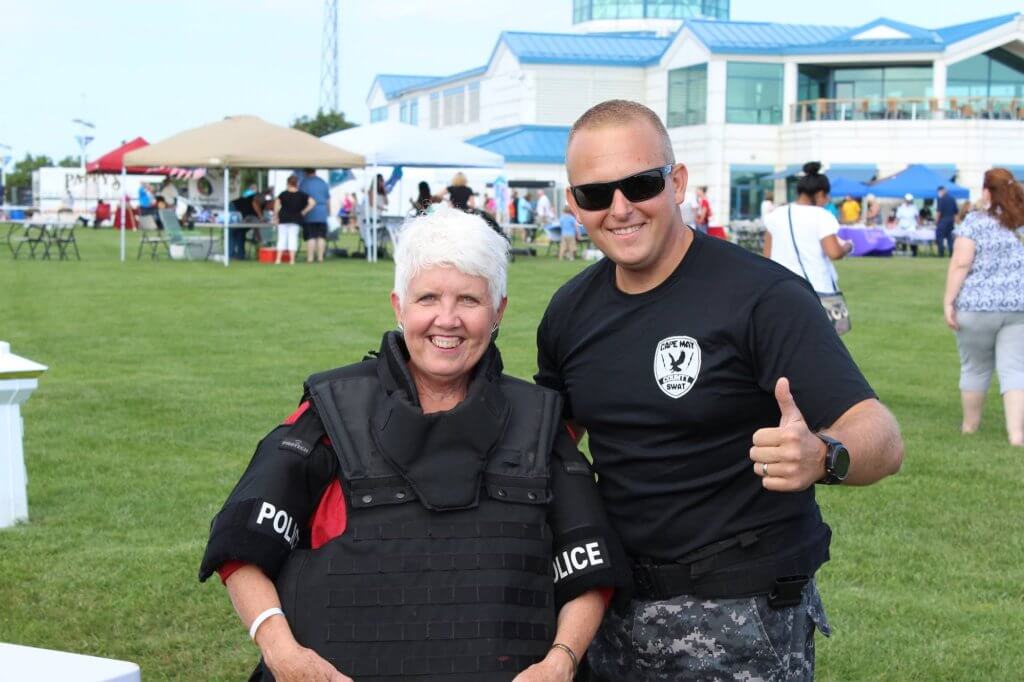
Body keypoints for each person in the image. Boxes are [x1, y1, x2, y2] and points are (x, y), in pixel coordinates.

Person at [538, 99, 903, 681]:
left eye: (640, 184)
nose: (620, 208)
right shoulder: (570, 312)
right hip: (612, 612)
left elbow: (880, 433)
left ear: (677, 182)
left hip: (743, 617)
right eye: (595, 194)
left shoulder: (763, 297)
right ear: (572, 206)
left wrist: (824, 454)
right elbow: (553, 439)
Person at [199, 206, 629, 681]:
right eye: (427, 298)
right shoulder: (330, 412)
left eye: (469, 299)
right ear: (398, 305)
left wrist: (560, 661)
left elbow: (590, 567)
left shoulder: (539, 421)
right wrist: (282, 653)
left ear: (499, 309)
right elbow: (242, 544)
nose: (447, 320)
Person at [942, 167, 1024, 446]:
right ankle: (1016, 435)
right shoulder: (1020, 222)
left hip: (977, 306)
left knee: (975, 368)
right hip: (1017, 306)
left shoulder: (975, 222)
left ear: (987, 191)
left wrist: (948, 300)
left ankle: (970, 427)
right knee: (1014, 370)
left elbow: (961, 263)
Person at [763, 162, 853, 293]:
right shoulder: (822, 216)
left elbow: (767, 257)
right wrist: (847, 247)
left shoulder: (775, 215)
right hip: (817, 287)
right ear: (820, 194)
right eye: (826, 196)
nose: (827, 200)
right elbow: (834, 253)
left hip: (782, 288)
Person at [273, 175, 314, 266]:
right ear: (297, 184)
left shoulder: (283, 194)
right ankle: (292, 260)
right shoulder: (302, 194)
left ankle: (278, 259)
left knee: (281, 239)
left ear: (287, 183)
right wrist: (304, 211)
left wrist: (275, 216)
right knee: (293, 239)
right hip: (296, 219)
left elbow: (276, 206)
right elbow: (312, 202)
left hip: (283, 218)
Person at [299, 169, 331, 264]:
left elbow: (302, 198)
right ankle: (320, 258)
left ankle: (310, 258)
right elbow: (328, 199)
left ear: (306, 172)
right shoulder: (323, 182)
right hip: (322, 212)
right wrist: (328, 213)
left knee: (311, 236)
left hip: (310, 212)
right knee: (321, 236)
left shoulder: (304, 183)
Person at [935, 185, 958, 257]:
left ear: (941, 191)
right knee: (950, 238)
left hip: (943, 221)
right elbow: (956, 212)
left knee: (940, 237)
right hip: (951, 221)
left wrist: (936, 221)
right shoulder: (952, 199)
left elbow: (939, 212)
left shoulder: (940, 199)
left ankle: (941, 253)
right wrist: (954, 221)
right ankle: (951, 254)